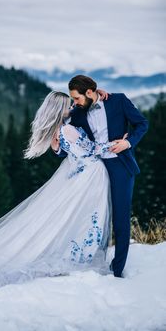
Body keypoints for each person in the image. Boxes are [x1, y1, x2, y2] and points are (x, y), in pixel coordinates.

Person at [0, 90, 121, 305]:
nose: (72, 108)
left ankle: (81, 254)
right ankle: (83, 257)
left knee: (81, 219)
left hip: (79, 176)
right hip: (90, 176)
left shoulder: (56, 133)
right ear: (60, 109)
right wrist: (118, 142)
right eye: (68, 105)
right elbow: (92, 150)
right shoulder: (68, 129)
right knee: (90, 218)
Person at [52, 75, 149, 278]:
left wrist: (128, 142)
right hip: (93, 170)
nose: (74, 103)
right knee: (94, 217)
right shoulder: (78, 112)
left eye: (77, 98)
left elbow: (142, 124)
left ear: (89, 93)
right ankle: (94, 263)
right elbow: (69, 142)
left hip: (120, 166)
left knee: (120, 217)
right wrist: (56, 148)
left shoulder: (118, 100)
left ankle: (117, 270)